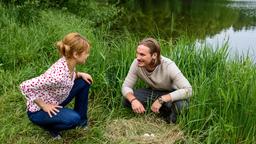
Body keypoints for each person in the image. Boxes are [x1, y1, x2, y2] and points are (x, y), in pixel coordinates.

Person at [20, 32, 93, 139]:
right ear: (76, 54)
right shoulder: (56, 76)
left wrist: (79, 74)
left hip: (55, 99)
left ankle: (82, 122)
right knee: (73, 119)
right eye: (86, 52)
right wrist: (44, 105)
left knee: (84, 82)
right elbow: (25, 86)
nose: (88, 55)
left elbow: (68, 77)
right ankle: (51, 127)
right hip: (38, 111)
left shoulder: (68, 62)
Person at [122, 38, 192, 124]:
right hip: (154, 92)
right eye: (137, 53)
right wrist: (133, 100)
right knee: (127, 99)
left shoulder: (168, 66)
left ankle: (169, 118)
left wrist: (161, 100)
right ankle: (158, 111)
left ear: (154, 55)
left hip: (172, 94)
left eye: (142, 54)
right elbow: (126, 86)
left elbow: (188, 90)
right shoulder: (136, 63)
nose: (138, 58)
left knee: (181, 106)